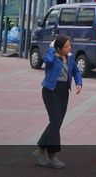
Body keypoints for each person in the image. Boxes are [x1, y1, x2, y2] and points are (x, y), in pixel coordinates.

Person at [34, 35, 83, 169]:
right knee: (55, 122)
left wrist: (79, 83)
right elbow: (47, 61)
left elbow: (76, 72)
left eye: (70, 45)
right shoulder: (52, 57)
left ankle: (40, 149)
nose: (69, 48)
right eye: (66, 46)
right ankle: (52, 155)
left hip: (63, 92)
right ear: (59, 48)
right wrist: (51, 48)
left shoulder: (70, 57)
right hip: (50, 91)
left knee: (56, 123)